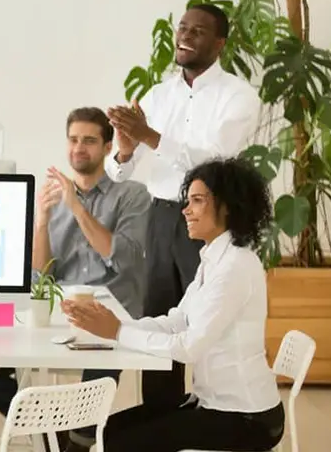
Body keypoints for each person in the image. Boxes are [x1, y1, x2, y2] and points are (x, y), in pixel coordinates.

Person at [0, 106, 149, 450]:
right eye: (73, 140)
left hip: (109, 313)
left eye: (89, 140)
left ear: (107, 147)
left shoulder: (131, 195)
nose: (79, 148)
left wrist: (76, 207)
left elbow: (125, 257)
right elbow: (39, 277)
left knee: (99, 362)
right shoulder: (52, 197)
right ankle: (49, 431)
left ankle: (77, 441)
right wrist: (42, 220)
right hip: (57, 312)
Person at [62, 157, 285, 452]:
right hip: (210, 405)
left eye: (197, 201)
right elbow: (176, 320)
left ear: (227, 206)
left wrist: (117, 332)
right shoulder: (213, 259)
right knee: (105, 432)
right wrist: (114, 326)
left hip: (247, 418)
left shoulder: (234, 267)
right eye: (187, 200)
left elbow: (188, 347)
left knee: (118, 444)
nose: (186, 210)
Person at [105, 3, 262, 408]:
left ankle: (221, 413)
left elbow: (214, 162)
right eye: (183, 28)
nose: (185, 37)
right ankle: (160, 421)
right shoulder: (158, 95)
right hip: (159, 217)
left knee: (208, 326)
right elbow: (125, 171)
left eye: (198, 31)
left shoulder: (239, 96)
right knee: (160, 313)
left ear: (220, 43)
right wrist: (125, 149)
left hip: (210, 217)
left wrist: (151, 136)